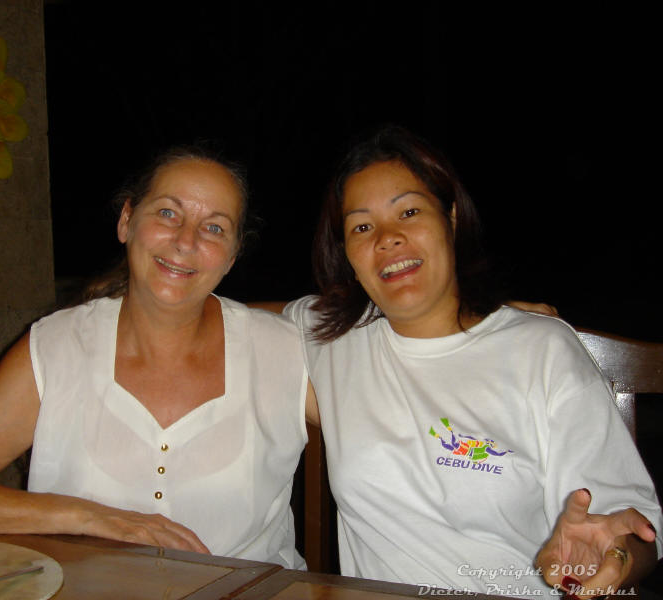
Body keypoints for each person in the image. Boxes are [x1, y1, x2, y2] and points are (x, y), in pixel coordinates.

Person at [0, 145, 318, 569]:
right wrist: (88, 517)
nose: (186, 241)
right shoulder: (59, 346)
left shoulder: (281, 351)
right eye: (168, 213)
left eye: (214, 228)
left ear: (232, 255)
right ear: (126, 221)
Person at [282, 125, 662, 598]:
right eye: (362, 227)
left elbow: (630, 526)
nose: (388, 238)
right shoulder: (332, 339)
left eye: (409, 212)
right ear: (347, 256)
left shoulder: (541, 351)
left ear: (452, 219)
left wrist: (615, 556)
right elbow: (223, 319)